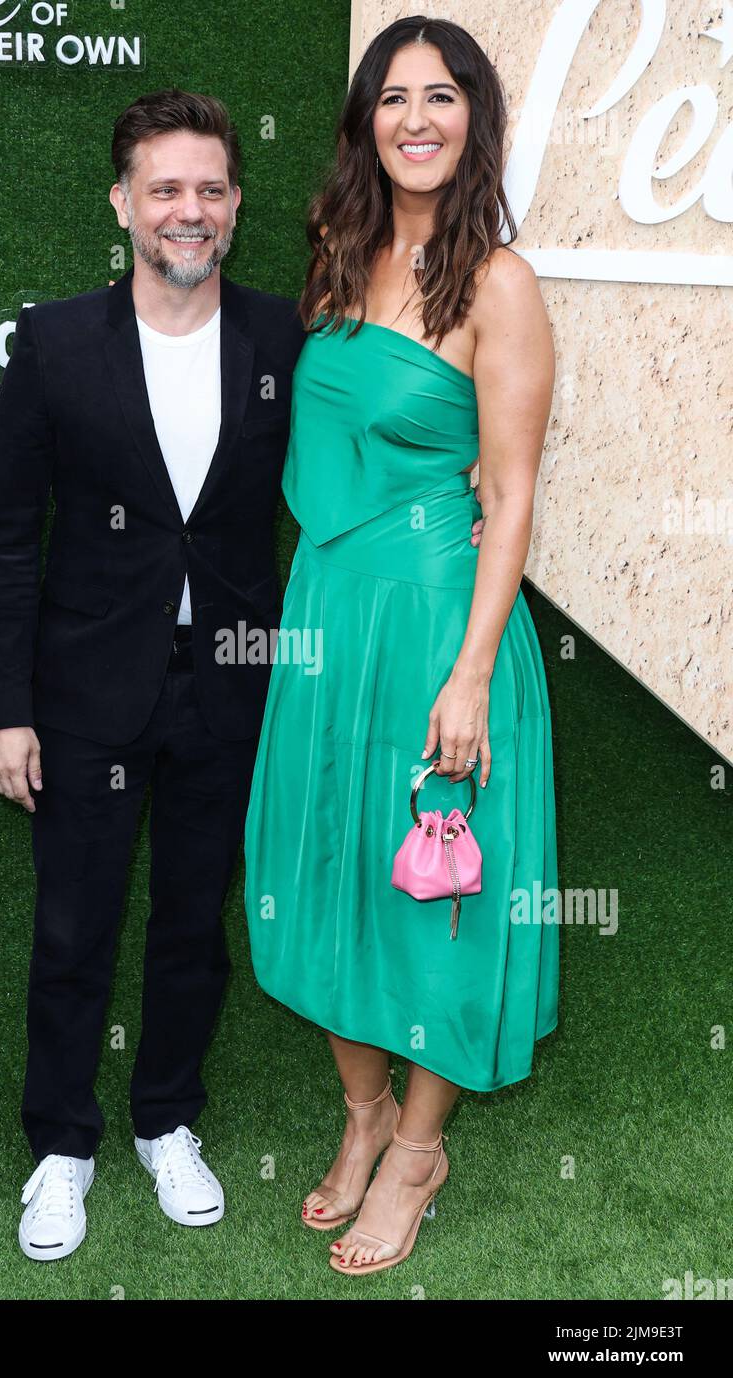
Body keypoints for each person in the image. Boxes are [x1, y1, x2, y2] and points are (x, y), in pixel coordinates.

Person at [243, 16, 559, 1276]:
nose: (415, 118)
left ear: (474, 119)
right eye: (393, 97)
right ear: (365, 122)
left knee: (431, 894)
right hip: (328, 617)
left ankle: (418, 1152)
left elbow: (516, 492)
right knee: (324, 861)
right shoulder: (338, 252)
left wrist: (472, 671)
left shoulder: (501, 284)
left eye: (442, 96)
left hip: (436, 625)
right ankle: (363, 1113)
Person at [0, 89, 310, 1260]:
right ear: (122, 203)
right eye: (164, 188)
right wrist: (5, 709)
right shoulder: (55, 339)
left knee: (191, 926)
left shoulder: (280, 338)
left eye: (210, 188)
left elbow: (340, 479)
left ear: (234, 206)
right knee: (73, 928)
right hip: (82, 692)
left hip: (229, 680)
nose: (189, 209)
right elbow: (8, 535)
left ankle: (168, 1120)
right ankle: (62, 1146)